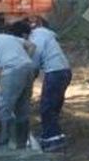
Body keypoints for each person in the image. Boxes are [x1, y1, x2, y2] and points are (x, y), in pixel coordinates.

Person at [0, 24, 38, 150]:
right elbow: (32, 46)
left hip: (12, 71)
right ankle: (22, 144)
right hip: (28, 69)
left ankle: (3, 145)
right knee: (22, 108)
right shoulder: (9, 38)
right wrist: (24, 60)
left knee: (4, 109)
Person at [23, 15, 72, 151]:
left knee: (47, 107)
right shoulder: (46, 34)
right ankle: (51, 136)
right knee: (54, 106)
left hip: (55, 73)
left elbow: (34, 62)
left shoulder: (36, 38)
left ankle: (53, 140)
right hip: (64, 71)